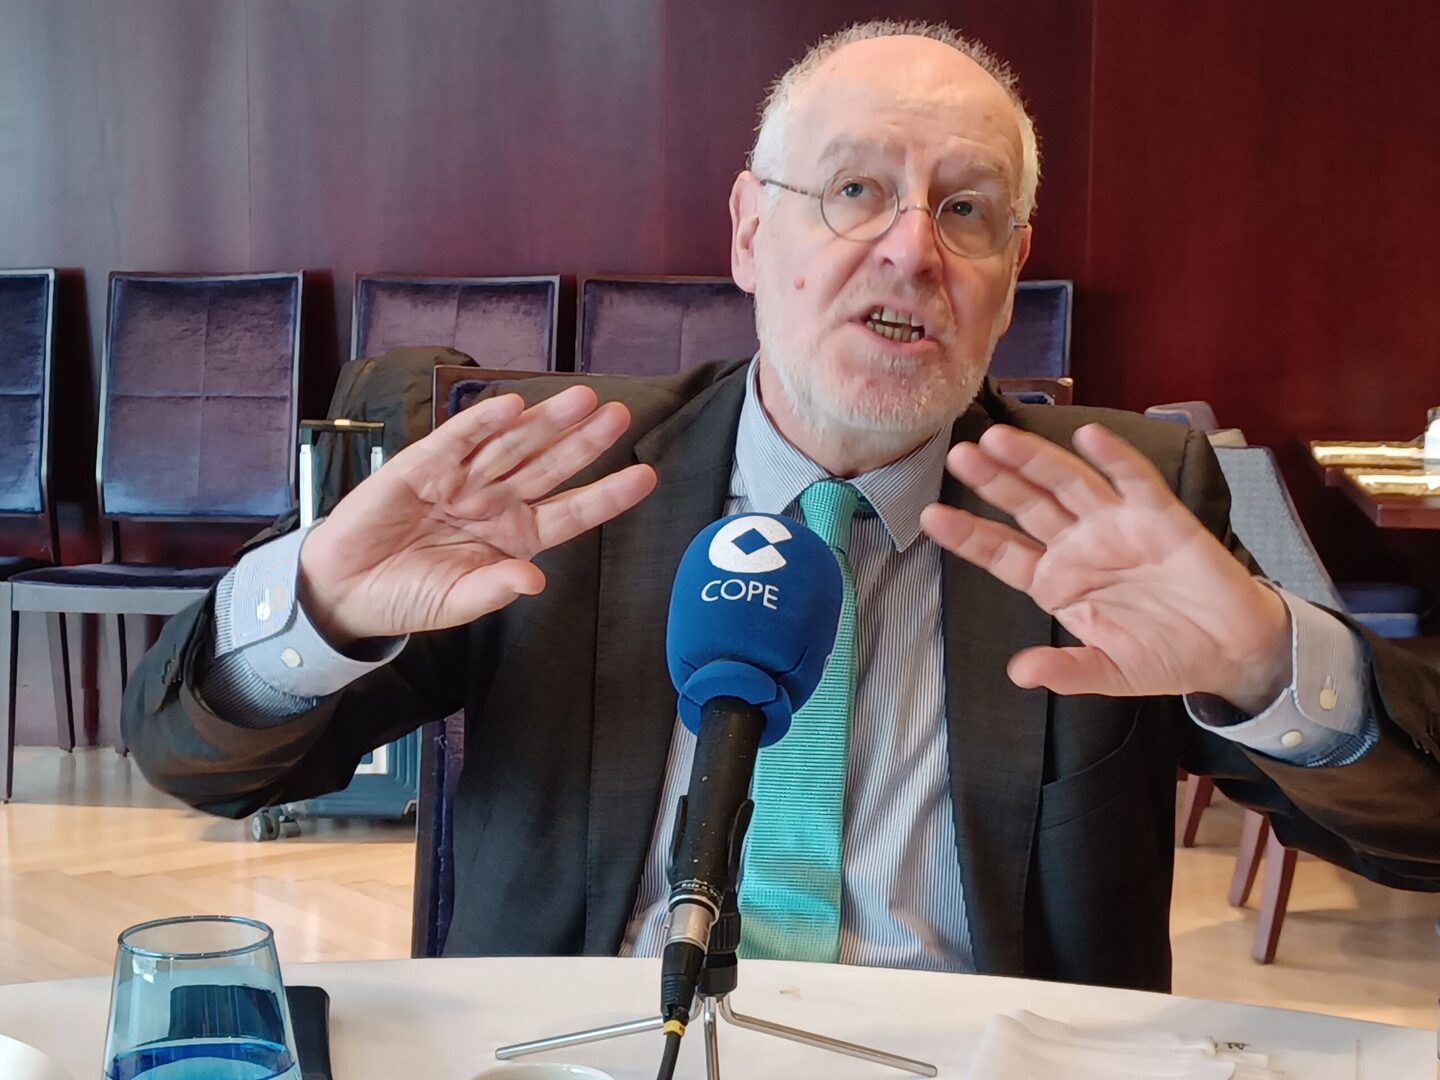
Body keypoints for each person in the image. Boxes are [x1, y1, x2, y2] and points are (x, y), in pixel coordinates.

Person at [125, 20, 1440, 992]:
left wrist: (1266, 664)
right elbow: (199, 762)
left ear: (1010, 270)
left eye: (967, 210)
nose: (913, 248)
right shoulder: (554, 481)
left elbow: (1421, 836)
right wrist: (320, 608)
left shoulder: (1118, 501)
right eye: (856, 190)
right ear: (752, 233)